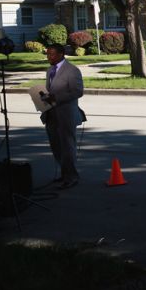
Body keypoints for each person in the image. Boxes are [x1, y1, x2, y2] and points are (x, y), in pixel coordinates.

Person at [40, 43, 85, 190]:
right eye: (47, 54)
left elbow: (77, 91)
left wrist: (56, 98)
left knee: (67, 146)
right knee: (56, 146)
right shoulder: (50, 70)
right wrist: (44, 98)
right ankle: (65, 173)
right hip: (51, 114)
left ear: (60, 54)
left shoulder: (72, 71)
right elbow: (49, 89)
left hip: (66, 114)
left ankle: (71, 177)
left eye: (51, 54)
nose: (48, 57)